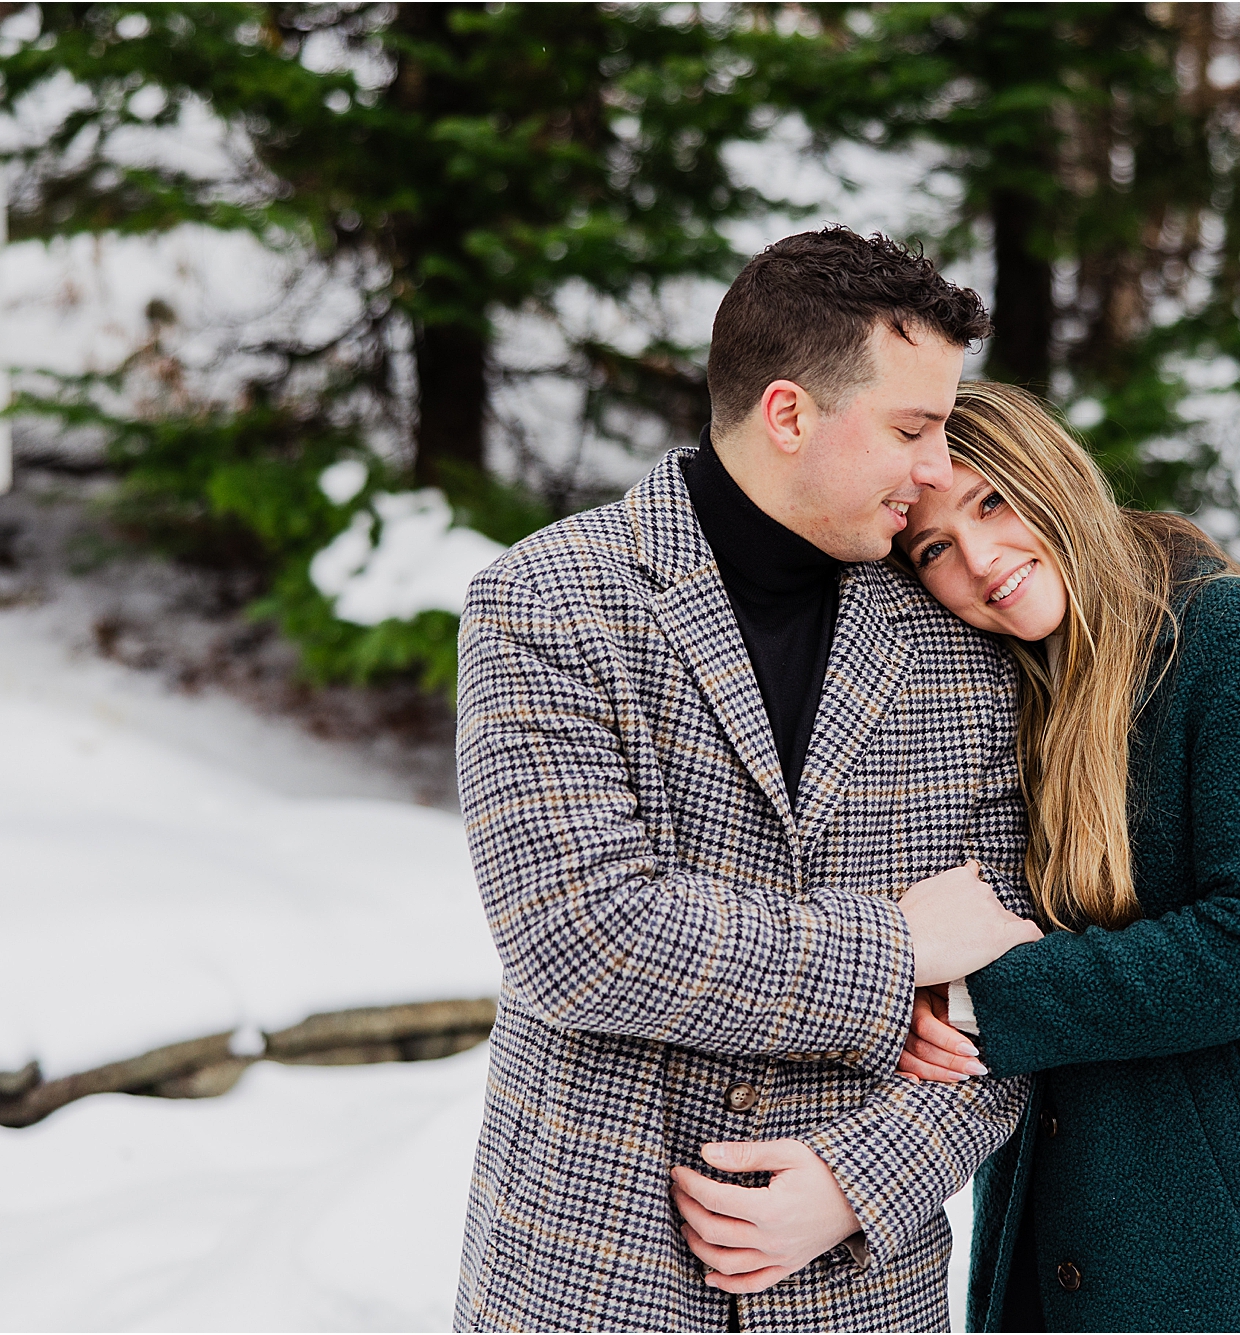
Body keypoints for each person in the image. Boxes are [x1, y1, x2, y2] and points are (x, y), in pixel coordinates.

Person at [451, 230, 1044, 1332]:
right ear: (788, 415)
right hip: (591, 1279)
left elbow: (1010, 995)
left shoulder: (958, 639)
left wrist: (856, 1182)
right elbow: (582, 941)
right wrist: (898, 947)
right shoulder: (544, 602)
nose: (935, 469)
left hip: (857, 1292)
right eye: (911, 428)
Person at [891, 382, 1240, 1332]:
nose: (979, 558)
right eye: (933, 548)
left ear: (1050, 477)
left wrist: (990, 1002)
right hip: (1060, 1243)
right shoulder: (1006, 694)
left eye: (992, 501)